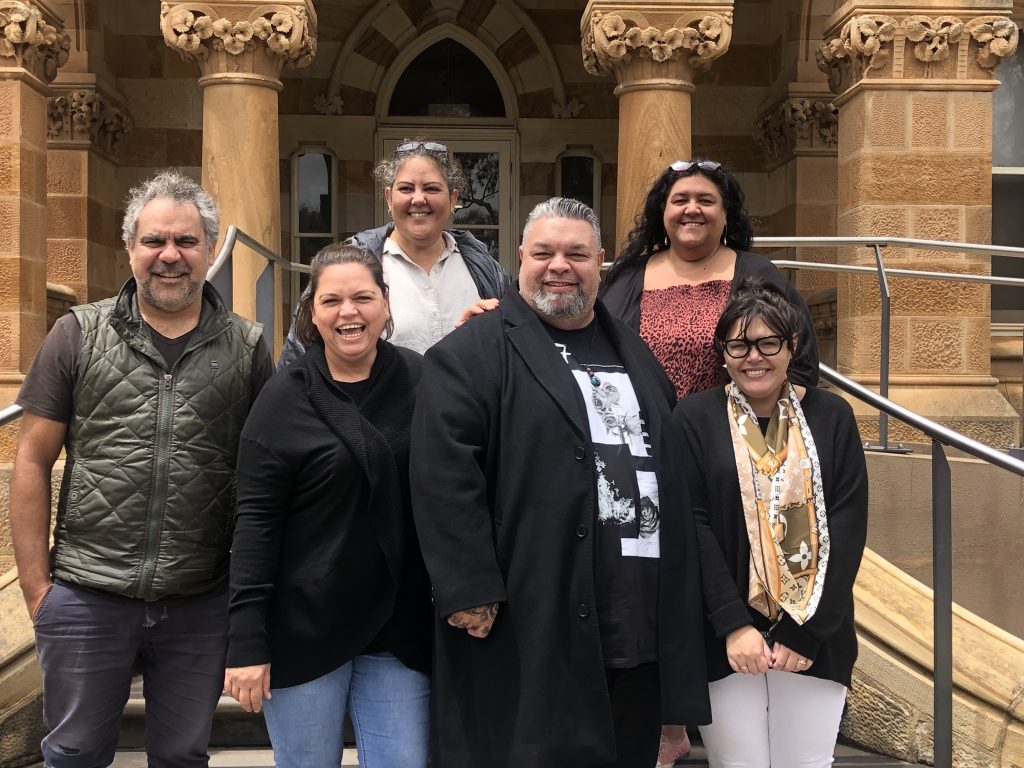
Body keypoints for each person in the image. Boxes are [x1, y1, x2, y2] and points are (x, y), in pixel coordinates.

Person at [410, 197, 711, 768]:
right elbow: (442, 477)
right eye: (543, 252)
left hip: (637, 617)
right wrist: (468, 587)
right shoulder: (470, 353)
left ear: (600, 261)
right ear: (518, 258)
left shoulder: (636, 354)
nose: (558, 266)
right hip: (533, 614)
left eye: (576, 253)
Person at [9, 169, 274, 768]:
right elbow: (31, 459)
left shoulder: (249, 346)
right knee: (74, 754)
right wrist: (37, 590)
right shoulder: (76, 333)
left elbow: (268, 480)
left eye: (185, 242)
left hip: (200, 601)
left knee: (181, 757)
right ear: (130, 248)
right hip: (86, 592)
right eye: (154, 241)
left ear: (209, 250)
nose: (170, 256)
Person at [224, 244, 431, 768]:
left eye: (363, 297)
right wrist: (247, 641)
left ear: (385, 303)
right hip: (304, 626)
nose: (349, 312)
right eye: (332, 300)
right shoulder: (284, 397)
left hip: (398, 626)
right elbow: (255, 524)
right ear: (312, 312)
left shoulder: (423, 381)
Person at [673, 278, 868, 768]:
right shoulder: (694, 418)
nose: (752, 357)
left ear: (792, 346)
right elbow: (692, 526)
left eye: (767, 343)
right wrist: (733, 626)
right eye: (738, 344)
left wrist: (808, 633)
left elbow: (847, 528)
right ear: (722, 351)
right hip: (727, 638)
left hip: (812, 638)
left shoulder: (832, 416)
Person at [600, 159, 819, 400]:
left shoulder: (759, 275)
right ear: (663, 212)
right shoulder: (626, 278)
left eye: (705, 200)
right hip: (641, 432)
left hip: (728, 432)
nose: (692, 209)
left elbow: (801, 362)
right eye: (680, 200)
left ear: (725, 214)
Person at [279, 139, 509, 365]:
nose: (418, 199)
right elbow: (299, 354)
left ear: (452, 199)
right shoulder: (353, 263)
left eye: (431, 188)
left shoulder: (482, 265)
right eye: (406, 188)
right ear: (389, 198)